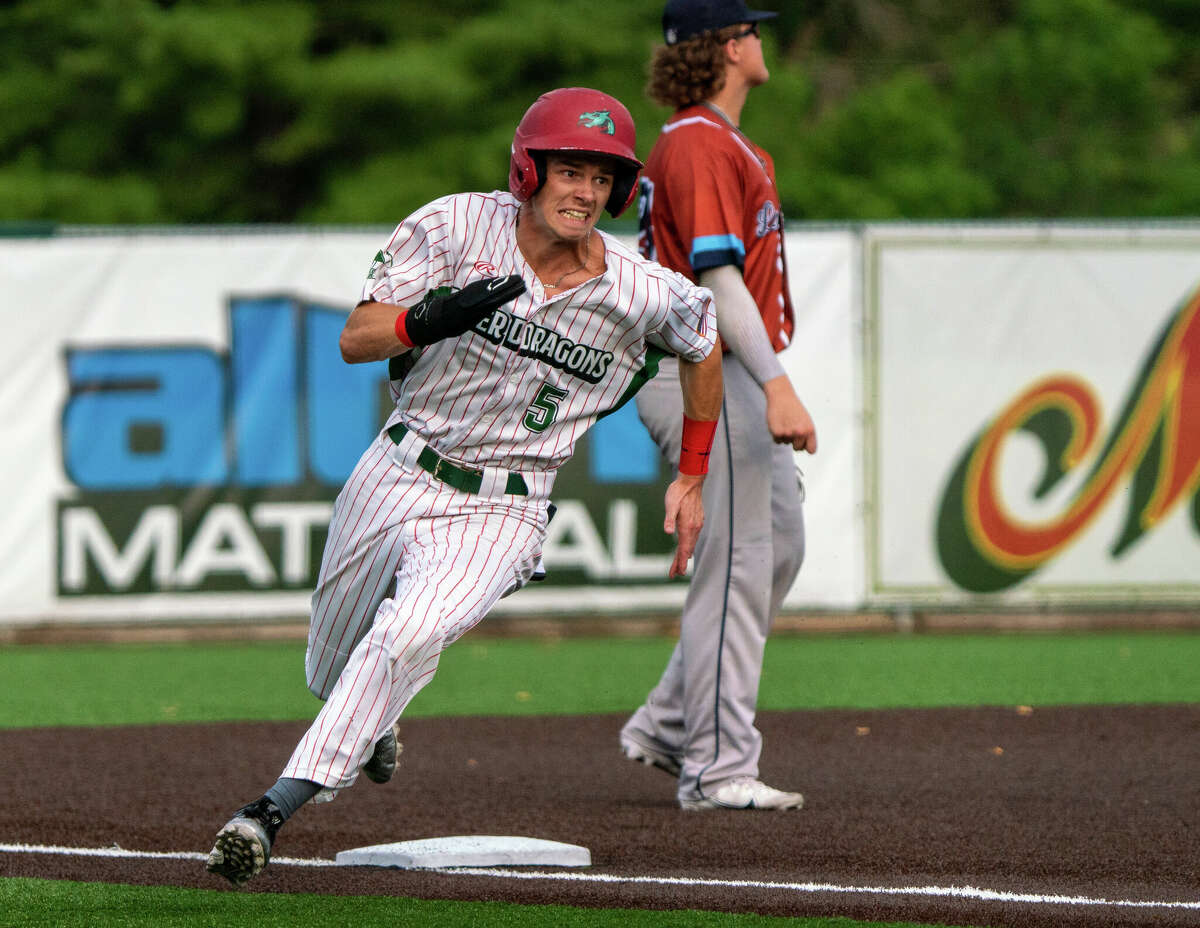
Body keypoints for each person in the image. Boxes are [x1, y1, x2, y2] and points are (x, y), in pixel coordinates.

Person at [205, 86, 722, 887]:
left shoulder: (637, 286)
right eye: (569, 171)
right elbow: (355, 339)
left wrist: (692, 472)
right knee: (331, 669)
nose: (584, 192)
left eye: (601, 178)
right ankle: (366, 720)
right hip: (401, 467)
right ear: (529, 168)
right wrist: (427, 320)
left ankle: (268, 811)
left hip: (505, 504)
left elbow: (703, 338)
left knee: (406, 636)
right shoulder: (454, 225)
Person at [619, 0, 818, 811]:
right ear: (730, 47)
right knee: (738, 564)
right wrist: (775, 382)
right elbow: (716, 277)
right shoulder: (698, 141)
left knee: (779, 547)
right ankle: (718, 766)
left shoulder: (724, 143)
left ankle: (671, 723)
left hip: (725, 366)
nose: (762, 40)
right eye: (754, 30)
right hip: (705, 369)